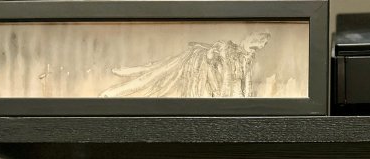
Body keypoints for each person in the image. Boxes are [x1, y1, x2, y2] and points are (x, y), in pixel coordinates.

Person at [100, 31, 271, 98]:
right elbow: (211, 58)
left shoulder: (246, 59)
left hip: (205, 77)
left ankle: (115, 90)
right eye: (257, 43)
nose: (258, 47)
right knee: (158, 72)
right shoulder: (226, 47)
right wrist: (213, 56)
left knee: (158, 75)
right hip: (193, 62)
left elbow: (242, 86)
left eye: (260, 46)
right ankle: (114, 90)